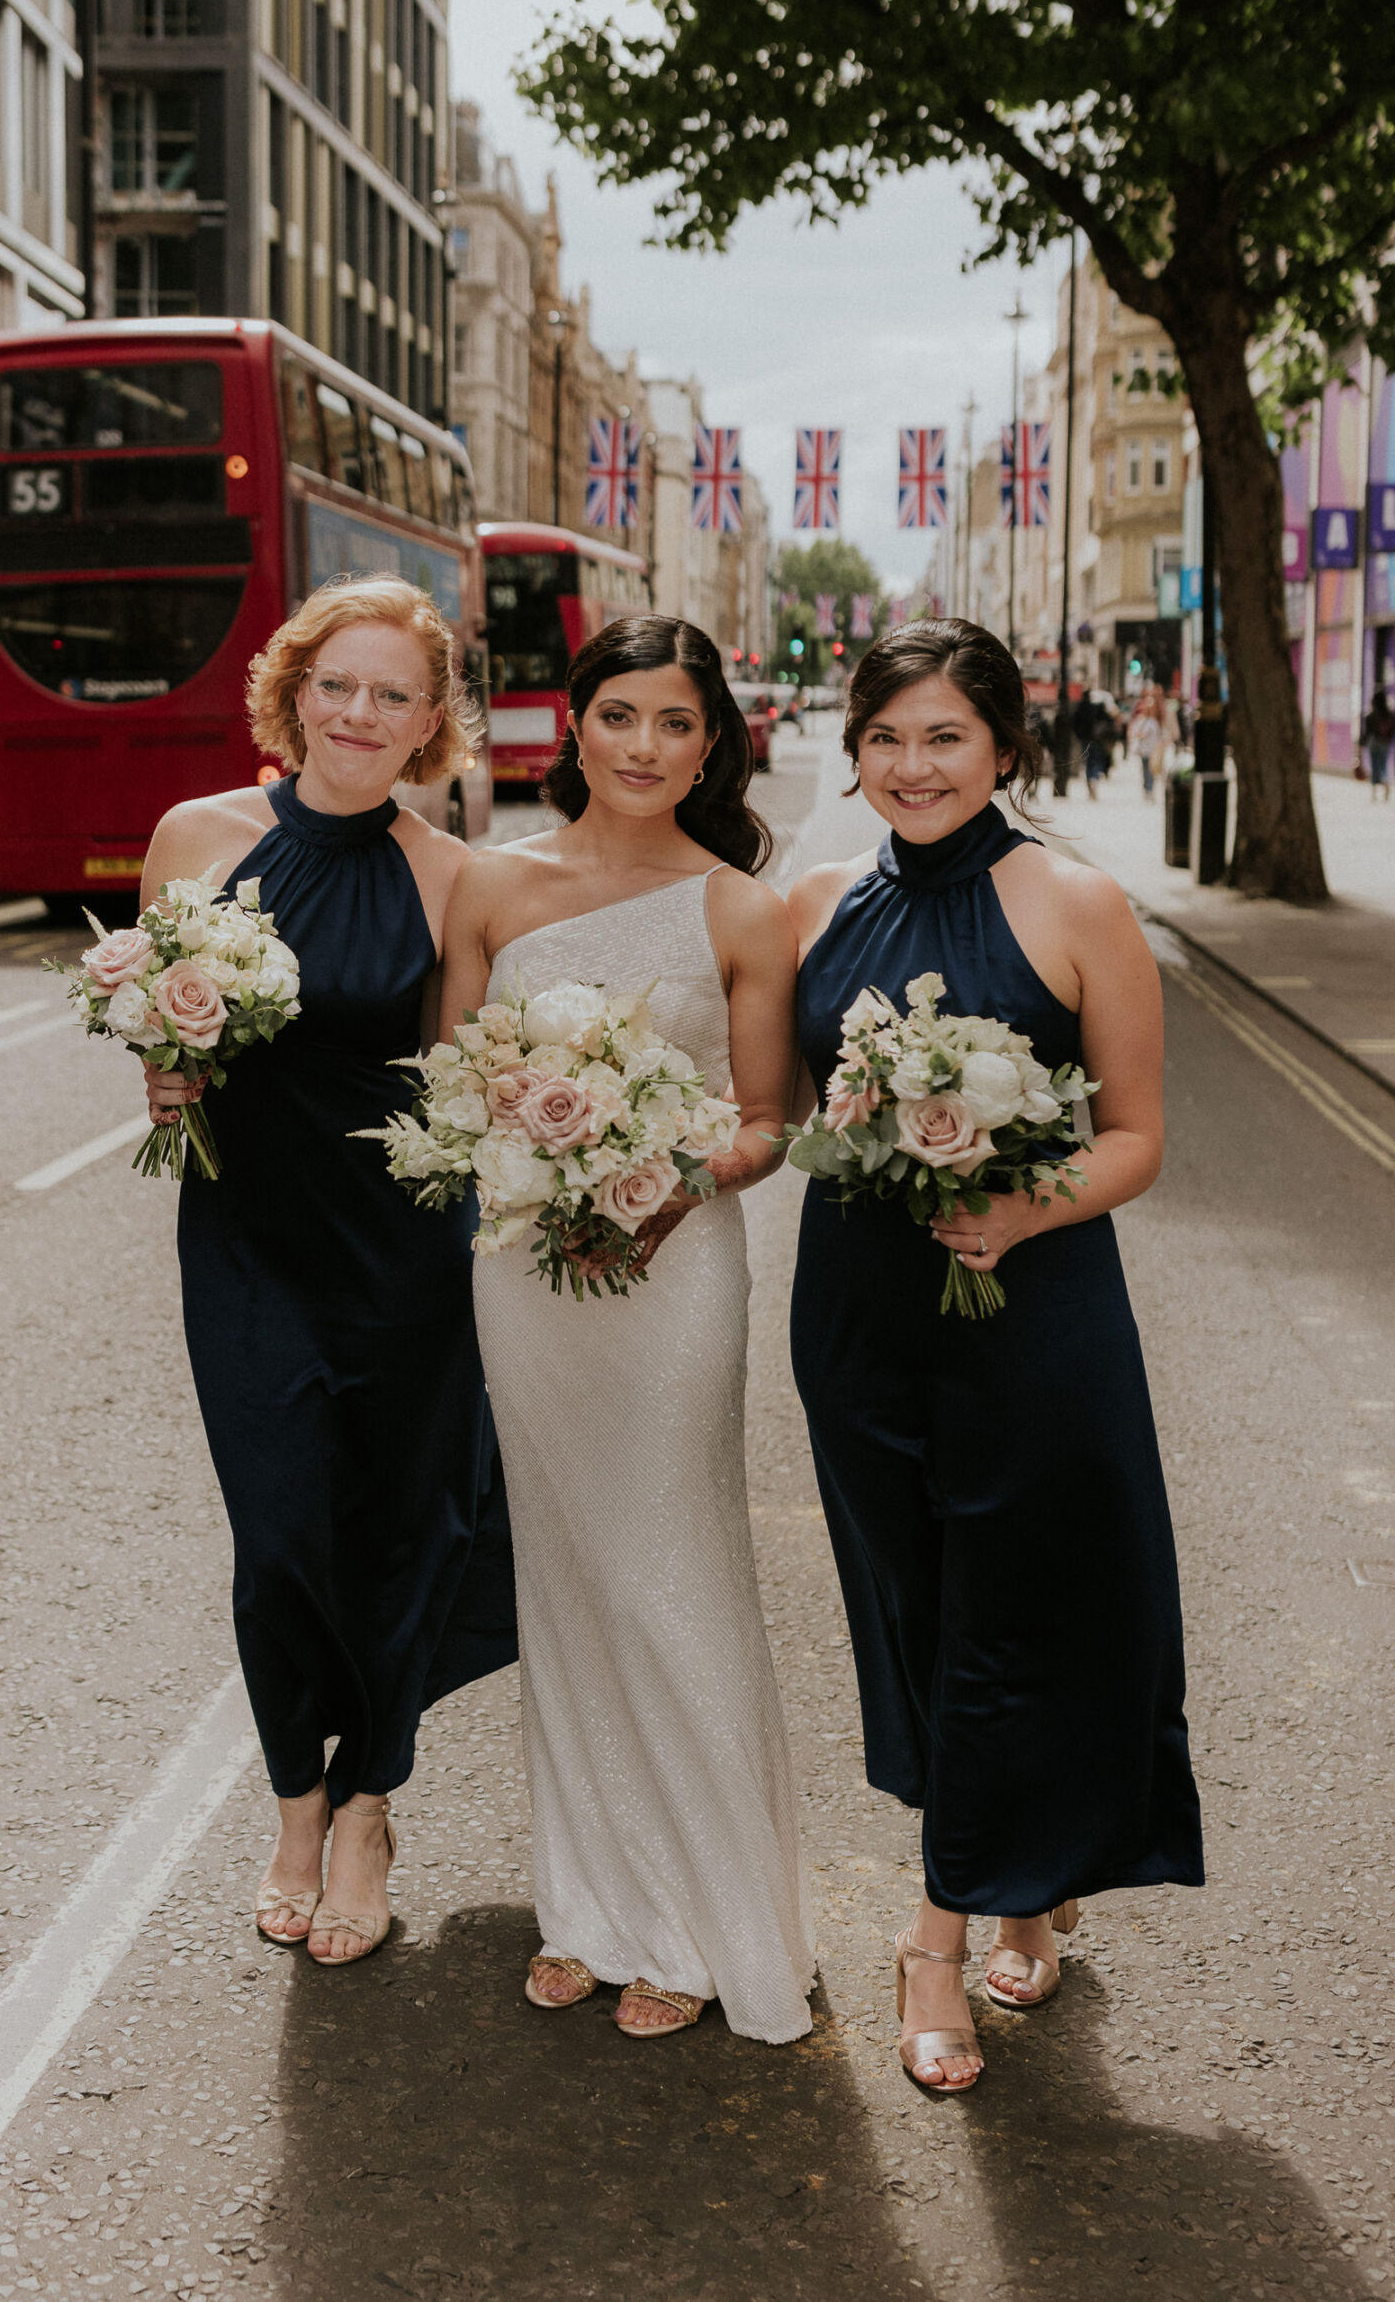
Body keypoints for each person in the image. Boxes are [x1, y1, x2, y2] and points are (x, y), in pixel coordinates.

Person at [786, 617, 1202, 2094]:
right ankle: (1020, 1862)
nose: (912, 764)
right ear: (855, 751)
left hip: (1039, 1313)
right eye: (886, 736)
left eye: (944, 735)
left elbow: (1141, 1137)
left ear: (1006, 748)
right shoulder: (814, 906)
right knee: (921, 1611)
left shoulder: (1083, 904)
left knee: (1019, 1605)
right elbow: (773, 1119)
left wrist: (1027, 1201)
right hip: (858, 1320)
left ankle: (934, 1934)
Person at [438, 615, 814, 2044]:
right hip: (527, 1267)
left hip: (671, 1271)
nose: (646, 746)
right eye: (621, 715)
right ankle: (590, 1907)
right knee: (570, 1582)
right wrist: (528, 1148)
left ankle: (701, 1922)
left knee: (668, 1570)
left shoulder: (737, 906)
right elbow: (453, 1083)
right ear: (572, 723)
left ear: (710, 743)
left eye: (677, 722)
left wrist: (668, 1176)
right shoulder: (488, 885)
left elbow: (767, 1124)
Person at [139, 578, 517, 1965]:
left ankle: (365, 1806)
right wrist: (162, 1071)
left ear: (432, 722)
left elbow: (462, 1082)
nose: (359, 713)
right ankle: (293, 1797)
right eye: (336, 683)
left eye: (393, 694)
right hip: (246, 1235)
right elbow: (154, 1029)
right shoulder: (196, 838)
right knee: (281, 1532)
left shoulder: (450, 873)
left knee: (402, 1526)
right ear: (294, 688)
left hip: (402, 1245)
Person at [1129, 681, 1172, 800]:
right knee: (1145, 769)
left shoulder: (1156, 718)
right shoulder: (1142, 719)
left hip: (1152, 748)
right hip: (1144, 749)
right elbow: (1134, 730)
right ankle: (1147, 788)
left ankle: (1150, 788)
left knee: (1152, 769)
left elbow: (1162, 729)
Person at [1072, 683, 1112, 797]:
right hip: (1097, 739)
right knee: (1097, 760)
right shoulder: (1097, 708)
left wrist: (1079, 735)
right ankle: (1095, 778)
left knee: (1088, 761)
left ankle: (1090, 779)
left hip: (1085, 739)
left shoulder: (1080, 708)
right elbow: (1108, 721)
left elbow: (1074, 724)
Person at [1362, 687, 1394, 800]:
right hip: (1384, 743)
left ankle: (1374, 792)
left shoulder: (1370, 716)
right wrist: (1388, 740)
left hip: (1373, 743)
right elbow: (1392, 732)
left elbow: (1366, 734)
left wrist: (1361, 746)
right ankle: (1385, 782)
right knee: (1383, 765)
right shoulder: (1390, 715)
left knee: (1374, 766)